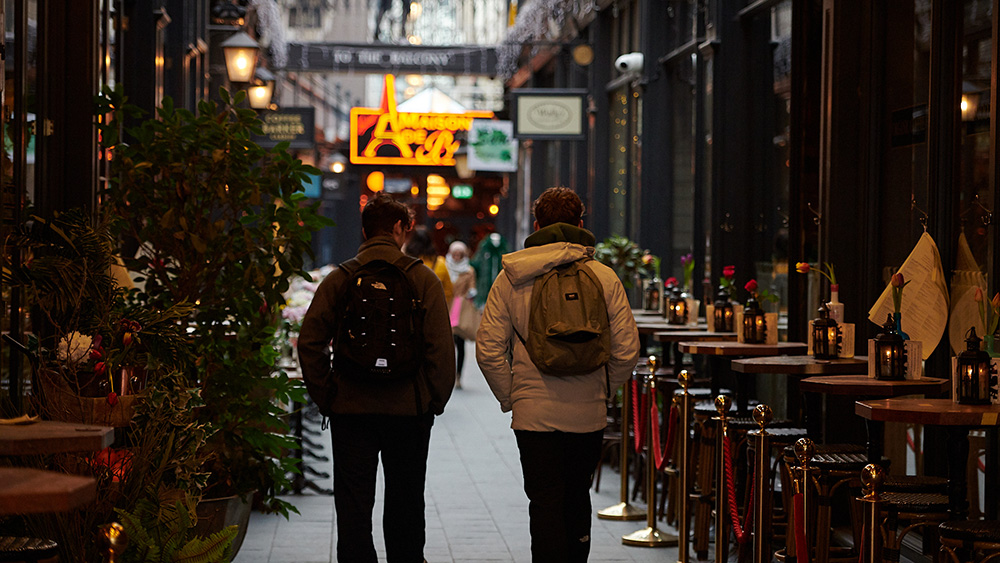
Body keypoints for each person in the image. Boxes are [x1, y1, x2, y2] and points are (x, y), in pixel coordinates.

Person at [475, 187, 640, 562]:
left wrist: (513, 395)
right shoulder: (603, 276)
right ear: (581, 224)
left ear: (536, 226)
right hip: (588, 412)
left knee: (544, 501)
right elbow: (628, 349)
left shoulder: (513, 276)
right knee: (577, 494)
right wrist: (603, 388)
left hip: (534, 415)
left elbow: (488, 349)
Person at [297, 193, 455, 563]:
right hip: (408, 411)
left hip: (351, 409)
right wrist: (433, 399)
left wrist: (328, 395)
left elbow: (310, 342)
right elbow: (440, 349)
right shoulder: (422, 279)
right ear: (400, 229)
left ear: (366, 231)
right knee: (406, 501)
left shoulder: (341, 278)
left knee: (353, 503)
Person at [445, 240, 477, 387]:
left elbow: (472, 287)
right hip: (446, 307)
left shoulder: (468, 270)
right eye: (455, 254)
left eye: (460, 254)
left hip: (460, 309)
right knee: (447, 345)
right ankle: (448, 375)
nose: (457, 257)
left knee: (460, 343)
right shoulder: (445, 267)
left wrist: (470, 293)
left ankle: (458, 375)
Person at [404, 225, 454, 305]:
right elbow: (448, 291)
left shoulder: (406, 262)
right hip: (432, 309)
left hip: (410, 310)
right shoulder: (440, 262)